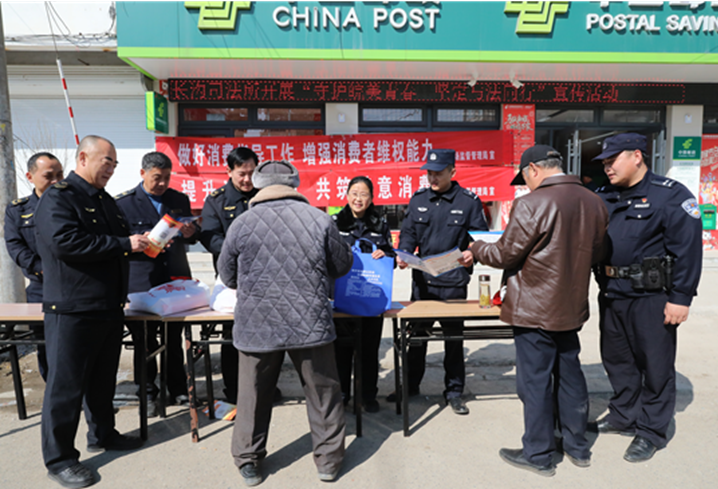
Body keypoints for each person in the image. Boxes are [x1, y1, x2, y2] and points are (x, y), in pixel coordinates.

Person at [471, 145, 608, 476]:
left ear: (533, 169)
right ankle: (577, 446)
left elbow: (505, 254)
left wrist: (477, 248)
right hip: (570, 306)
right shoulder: (593, 201)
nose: (526, 186)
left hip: (534, 308)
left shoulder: (532, 203)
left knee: (534, 382)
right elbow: (598, 253)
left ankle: (538, 453)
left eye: (525, 178)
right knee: (570, 376)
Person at [218, 160, 352, 486]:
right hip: (310, 321)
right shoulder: (319, 219)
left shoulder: (242, 223)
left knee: (252, 394)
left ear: (259, 184)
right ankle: (328, 462)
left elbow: (228, 276)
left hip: (257, 323)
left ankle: (249, 462)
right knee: (323, 393)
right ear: (294, 184)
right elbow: (341, 266)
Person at [35, 135, 150, 489]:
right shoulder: (60, 197)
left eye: (115, 164)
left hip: (108, 306)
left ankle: (103, 433)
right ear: (83, 158)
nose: (111, 169)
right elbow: (65, 243)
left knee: (103, 379)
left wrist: (143, 243)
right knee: (66, 387)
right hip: (73, 309)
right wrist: (124, 243)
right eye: (107, 162)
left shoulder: (105, 201)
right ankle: (60, 459)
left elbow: (116, 246)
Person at [592, 133, 702, 463]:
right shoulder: (603, 195)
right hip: (612, 293)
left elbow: (688, 251)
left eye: (613, 160)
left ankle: (651, 430)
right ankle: (624, 415)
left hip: (651, 297)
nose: (607, 167)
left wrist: (681, 297)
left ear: (637, 156)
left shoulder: (670, 195)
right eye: (605, 162)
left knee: (655, 365)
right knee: (617, 360)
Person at [392, 148, 488, 415]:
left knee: (453, 341)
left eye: (438, 173)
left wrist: (472, 253)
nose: (432, 178)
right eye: (429, 174)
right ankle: (410, 386)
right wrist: (405, 253)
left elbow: (480, 239)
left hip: (453, 283)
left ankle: (454, 392)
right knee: (416, 338)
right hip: (422, 283)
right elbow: (408, 234)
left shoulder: (468, 202)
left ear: (452, 172)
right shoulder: (418, 200)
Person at [116, 151, 199, 416]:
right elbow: (118, 244)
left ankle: (177, 388)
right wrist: (136, 241)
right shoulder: (124, 204)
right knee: (145, 340)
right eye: (156, 178)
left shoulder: (178, 199)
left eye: (166, 177)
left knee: (174, 337)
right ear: (142, 174)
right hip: (142, 280)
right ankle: (147, 391)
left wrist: (190, 232)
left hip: (174, 277)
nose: (162, 183)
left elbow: (190, 237)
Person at [200, 146, 259, 404]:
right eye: (241, 174)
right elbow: (210, 237)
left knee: (262, 336)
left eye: (251, 173)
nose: (247, 179)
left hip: (263, 279)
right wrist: (237, 253)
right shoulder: (217, 200)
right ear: (229, 171)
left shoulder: (264, 196)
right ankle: (234, 391)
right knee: (231, 336)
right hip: (231, 280)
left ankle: (261, 389)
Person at [332, 176, 395, 413]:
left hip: (371, 298)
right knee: (341, 350)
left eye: (364, 194)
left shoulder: (380, 224)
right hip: (343, 298)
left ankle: (368, 395)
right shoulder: (335, 222)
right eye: (354, 193)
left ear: (371, 198)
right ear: (347, 195)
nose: (358, 199)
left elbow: (392, 256)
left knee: (369, 350)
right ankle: (342, 395)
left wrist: (384, 254)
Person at [4, 152, 64, 381]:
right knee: (46, 346)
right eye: (49, 176)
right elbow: (15, 246)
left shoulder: (72, 205)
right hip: (41, 288)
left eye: (60, 175)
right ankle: (53, 390)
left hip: (73, 286)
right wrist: (41, 268)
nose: (56, 181)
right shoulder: (18, 210)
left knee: (76, 345)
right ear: (30, 177)